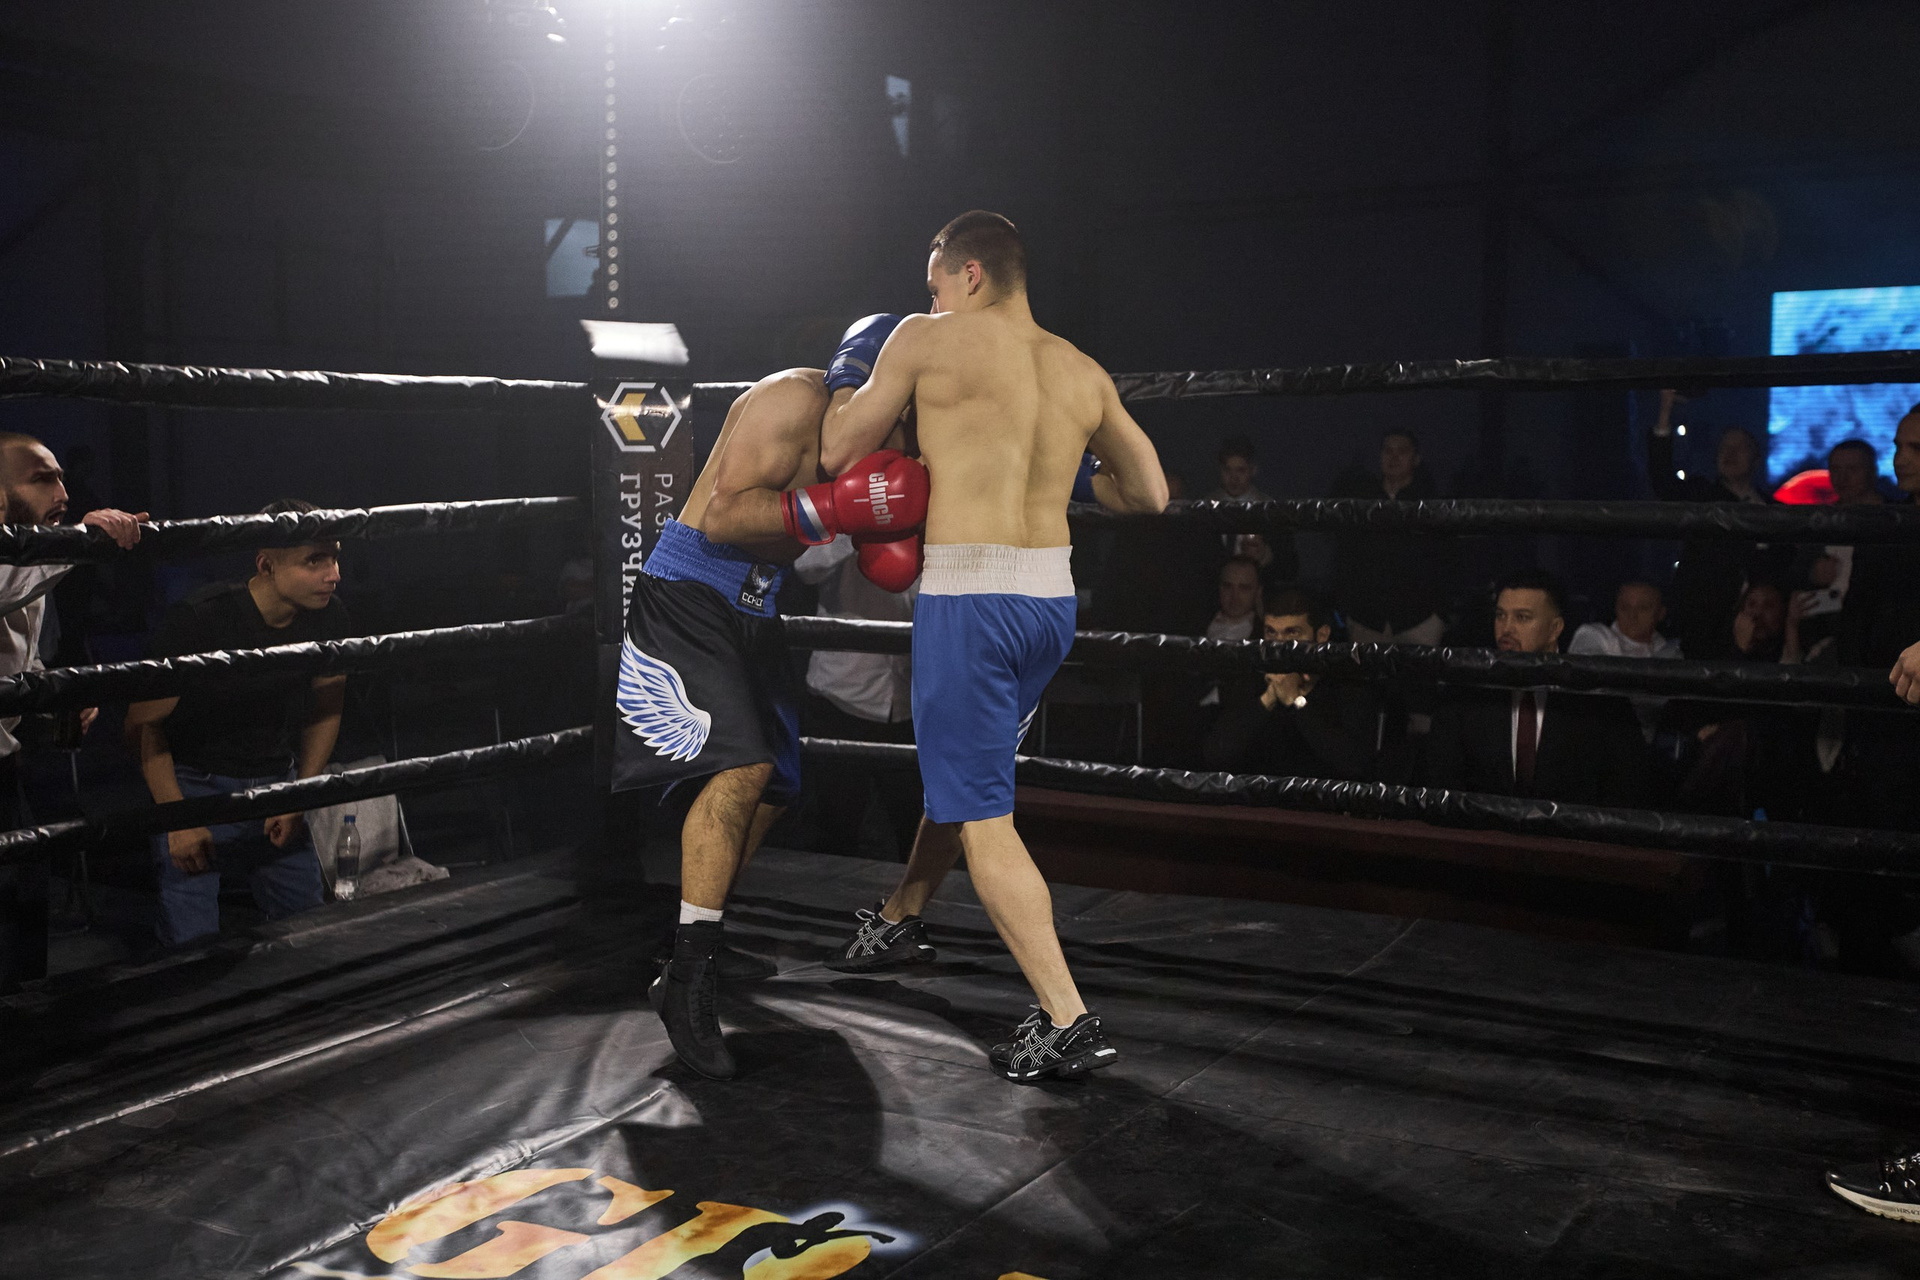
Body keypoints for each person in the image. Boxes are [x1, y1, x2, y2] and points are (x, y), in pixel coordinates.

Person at [815, 209, 1169, 1081]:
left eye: (935, 280)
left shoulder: (924, 339)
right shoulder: (1079, 368)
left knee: (983, 814)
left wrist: (850, 376)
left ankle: (1065, 1016)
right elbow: (1150, 494)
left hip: (970, 599)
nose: (929, 296)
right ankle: (901, 914)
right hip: (1050, 602)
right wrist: (1067, 472)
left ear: (969, 272)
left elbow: (836, 449)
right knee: (968, 771)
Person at [613, 359, 927, 1080]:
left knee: (780, 784)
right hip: (690, 591)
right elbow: (726, 515)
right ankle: (687, 977)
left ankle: (700, 934)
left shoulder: (884, 447)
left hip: (756, 604)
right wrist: (840, 507)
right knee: (742, 768)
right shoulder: (793, 398)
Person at [125, 500, 348, 950]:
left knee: (311, 936)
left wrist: (300, 794)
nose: (334, 574)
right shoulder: (201, 618)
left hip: (278, 782)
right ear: (266, 565)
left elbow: (327, 709)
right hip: (195, 787)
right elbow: (142, 724)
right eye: (314, 561)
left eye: (335, 557)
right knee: (191, 949)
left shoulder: (330, 614)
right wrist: (178, 817)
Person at [0, 433, 144, 991]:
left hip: (6, 770)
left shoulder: (29, 556)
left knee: (22, 913)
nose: (61, 491)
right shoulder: (29, 562)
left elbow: (19, 657)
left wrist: (55, 696)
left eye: (61, 476)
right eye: (42, 479)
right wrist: (84, 539)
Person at [1420, 569, 1648, 806]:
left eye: (1522, 617)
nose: (1506, 628)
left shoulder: (1600, 699)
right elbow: (1441, 783)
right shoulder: (1466, 694)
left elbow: (1627, 792)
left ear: (1554, 628)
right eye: (1500, 615)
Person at [790, 535, 922, 859]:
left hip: (908, 700)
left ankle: (914, 892)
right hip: (840, 696)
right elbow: (806, 567)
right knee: (837, 828)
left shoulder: (930, 520)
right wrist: (859, 526)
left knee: (915, 826)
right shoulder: (840, 516)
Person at [1647, 389, 1788, 659]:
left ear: (1756, 457)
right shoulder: (1702, 496)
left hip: (1765, 636)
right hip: (1704, 627)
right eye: (1724, 447)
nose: (1729, 454)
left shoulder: (1775, 511)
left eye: (1739, 448)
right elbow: (1662, 482)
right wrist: (1665, 414)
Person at [1201, 587, 1378, 779]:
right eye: (1271, 632)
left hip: (1320, 796)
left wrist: (1297, 700)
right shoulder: (1253, 678)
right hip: (1257, 794)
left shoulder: (1347, 684)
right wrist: (1267, 699)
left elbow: (1356, 764)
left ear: (1321, 635)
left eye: (1292, 633)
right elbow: (1215, 755)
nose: (1279, 645)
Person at [1328, 429, 1449, 646]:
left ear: (1416, 458)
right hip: (1366, 618)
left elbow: (1446, 559)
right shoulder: (1362, 501)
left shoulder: (1431, 503)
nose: (1394, 457)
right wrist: (1347, 606)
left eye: (1402, 451)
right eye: (1388, 451)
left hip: (1420, 619)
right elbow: (1345, 554)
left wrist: (1440, 613)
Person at [1567, 580, 1680, 660]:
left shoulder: (1670, 651)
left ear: (1660, 613)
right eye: (1625, 607)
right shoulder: (1594, 636)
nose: (1632, 615)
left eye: (1643, 608)